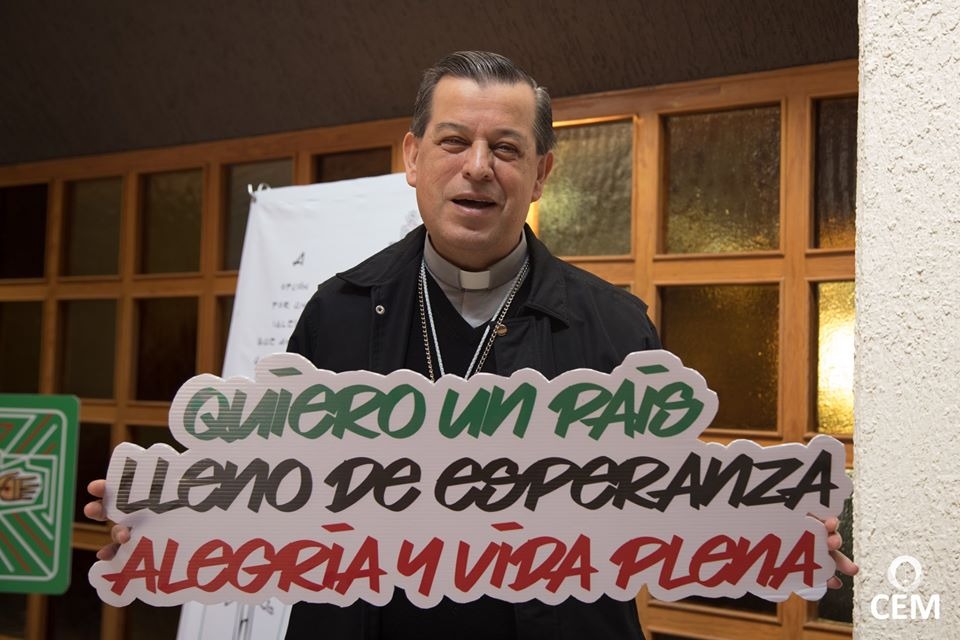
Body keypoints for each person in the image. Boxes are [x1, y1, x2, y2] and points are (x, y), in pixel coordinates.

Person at [86, 50, 857, 639]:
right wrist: (171, 522)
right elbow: (272, 487)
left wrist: (772, 527)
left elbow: (668, 504)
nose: (479, 168)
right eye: (454, 141)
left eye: (507, 148)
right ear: (413, 157)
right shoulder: (337, 314)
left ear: (541, 173)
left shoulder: (614, 328)